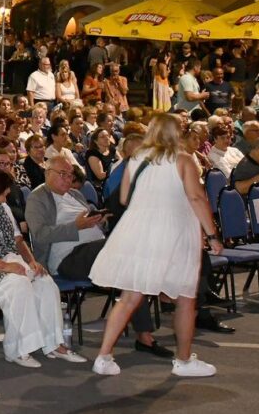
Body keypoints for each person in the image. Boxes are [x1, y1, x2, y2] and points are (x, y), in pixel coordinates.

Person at [89, 113, 223, 377]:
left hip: (137, 231)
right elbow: (197, 198)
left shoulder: (136, 159)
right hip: (174, 232)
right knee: (185, 299)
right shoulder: (183, 160)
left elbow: (124, 198)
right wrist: (212, 235)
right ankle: (183, 361)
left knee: (129, 297)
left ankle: (103, 357)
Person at [28, 153, 170, 358]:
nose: (68, 179)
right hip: (68, 259)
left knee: (132, 273)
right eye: (62, 174)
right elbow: (40, 234)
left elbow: (89, 225)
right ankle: (163, 289)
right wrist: (76, 226)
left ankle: (145, 336)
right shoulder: (38, 197)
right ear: (47, 173)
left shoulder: (75, 195)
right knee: (130, 251)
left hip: (97, 251)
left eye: (70, 175)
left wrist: (98, 221)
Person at [0, 166, 86, 367]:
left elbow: (18, 240)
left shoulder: (3, 208)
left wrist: (32, 261)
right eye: (6, 188)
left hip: (6, 261)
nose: (9, 191)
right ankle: (18, 349)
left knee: (44, 281)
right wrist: (6, 267)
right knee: (18, 284)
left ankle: (54, 343)